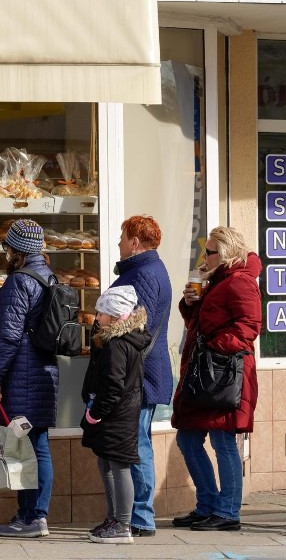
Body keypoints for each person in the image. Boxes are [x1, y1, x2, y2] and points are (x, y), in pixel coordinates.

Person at [171, 226, 262, 532]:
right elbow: (201, 322)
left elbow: (249, 325)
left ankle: (227, 511)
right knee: (187, 437)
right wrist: (190, 304)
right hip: (206, 370)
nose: (204, 257)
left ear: (224, 254)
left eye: (208, 252)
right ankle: (208, 505)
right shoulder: (218, 280)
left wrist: (215, 347)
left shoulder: (239, 282)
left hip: (225, 372)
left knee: (224, 442)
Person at [0, 219, 58, 539]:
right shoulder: (47, 276)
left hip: (23, 376)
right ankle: (30, 514)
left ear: (17, 250)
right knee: (34, 444)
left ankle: (33, 517)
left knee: (32, 447)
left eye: (7, 246)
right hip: (43, 372)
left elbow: (10, 337)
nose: (5, 251)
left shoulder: (19, 282)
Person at [110, 215, 173, 536]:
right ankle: (138, 515)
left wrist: (101, 328)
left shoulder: (145, 274)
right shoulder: (144, 270)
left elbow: (137, 328)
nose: (118, 242)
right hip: (140, 372)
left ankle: (142, 517)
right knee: (136, 442)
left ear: (136, 242)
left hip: (139, 374)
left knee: (136, 444)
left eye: (122, 237)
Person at [80, 285, 151, 544]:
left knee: (120, 465)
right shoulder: (115, 340)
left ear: (115, 315)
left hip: (117, 414)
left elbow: (113, 384)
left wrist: (95, 414)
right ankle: (114, 519)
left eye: (101, 313)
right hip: (118, 411)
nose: (97, 318)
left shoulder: (118, 345)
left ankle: (123, 524)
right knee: (106, 462)